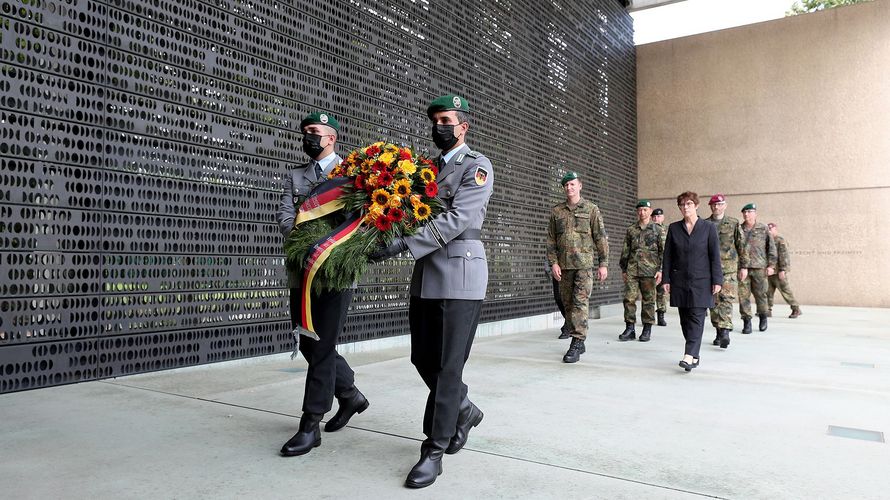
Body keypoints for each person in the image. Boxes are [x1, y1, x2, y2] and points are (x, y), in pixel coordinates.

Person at [370, 94, 493, 489]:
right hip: (427, 275)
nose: (439, 126)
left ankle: (434, 450)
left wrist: (404, 244)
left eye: (446, 120)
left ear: (463, 127)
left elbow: (459, 218)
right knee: (422, 358)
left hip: (459, 276)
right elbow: (407, 211)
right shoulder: (425, 170)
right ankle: (463, 407)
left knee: (446, 367)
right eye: (435, 120)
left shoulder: (477, 166)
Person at [276, 112, 369, 457]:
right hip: (302, 268)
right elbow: (286, 217)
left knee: (323, 344)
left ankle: (310, 424)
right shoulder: (295, 176)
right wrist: (306, 241)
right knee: (308, 342)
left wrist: (328, 248)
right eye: (306, 132)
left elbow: (358, 223)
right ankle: (349, 395)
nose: (308, 136)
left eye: (315, 132)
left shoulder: (353, 175)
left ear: (331, 138)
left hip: (336, 273)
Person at [547, 171, 609, 363]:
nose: (569, 188)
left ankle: (576, 341)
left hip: (584, 266)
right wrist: (554, 263)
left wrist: (603, 264)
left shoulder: (591, 209)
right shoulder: (557, 211)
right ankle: (579, 339)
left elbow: (600, 237)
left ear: (580, 186)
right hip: (564, 267)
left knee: (580, 304)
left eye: (573, 184)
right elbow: (551, 240)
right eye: (566, 185)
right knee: (567, 304)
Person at [661, 191, 723, 372]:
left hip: (702, 281)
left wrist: (717, 279)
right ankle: (694, 355)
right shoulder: (674, 228)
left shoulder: (708, 228)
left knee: (696, 317)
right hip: (679, 280)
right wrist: (666, 278)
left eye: (688, 204)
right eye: (682, 205)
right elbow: (668, 257)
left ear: (696, 205)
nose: (685, 207)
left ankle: (688, 355)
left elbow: (714, 256)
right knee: (685, 319)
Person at [705, 194, 749, 348]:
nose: (716, 207)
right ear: (710, 206)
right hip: (709, 270)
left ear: (725, 205)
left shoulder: (733, 223)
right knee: (713, 301)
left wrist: (744, 266)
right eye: (714, 205)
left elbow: (741, 246)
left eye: (719, 204)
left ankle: (725, 332)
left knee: (727, 299)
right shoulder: (704, 224)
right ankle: (718, 329)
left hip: (728, 269)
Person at [618, 200, 664, 342]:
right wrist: (624, 269)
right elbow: (626, 250)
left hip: (650, 271)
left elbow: (664, 252)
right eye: (640, 210)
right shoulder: (631, 229)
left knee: (648, 300)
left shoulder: (658, 230)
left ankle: (647, 328)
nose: (642, 212)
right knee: (629, 299)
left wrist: (661, 270)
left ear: (650, 211)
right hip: (632, 269)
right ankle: (630, 328)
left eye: (645, 210)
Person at [738, 203, 777, 333]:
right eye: (744, 212)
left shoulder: (763, 228)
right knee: (743, 296)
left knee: (761, 295)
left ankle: (763, 317)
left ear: (755, 213)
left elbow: (771, 247)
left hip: (760, 267)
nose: (746, 214)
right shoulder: (739, 229)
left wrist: (771, 265)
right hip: (743, 268)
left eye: (749, 212)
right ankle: (746, 321)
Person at [767, 222, 802, 318]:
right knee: (767, 292)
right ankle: (767, 310)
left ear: (775, 229)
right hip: (769, 271)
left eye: (771, 229)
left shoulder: (780, 240)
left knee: (785, 291)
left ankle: (796, 308)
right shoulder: (767, 241)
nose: (769, 231)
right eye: (768, 229)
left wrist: (783, 270)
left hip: (778, 271)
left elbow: (784, 256)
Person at [651, 208, 669, 326]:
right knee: (650, 292)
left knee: (662, 292)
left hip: (664, 264)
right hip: (651, 265)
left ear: (663, 217)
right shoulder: (650, 229)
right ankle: (649, 316)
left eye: (659, 216)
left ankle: (661, 315)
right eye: (655, 217)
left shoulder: (668, 230)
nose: (656, 218)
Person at [549, 263, 571, 339]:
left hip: (572, 268)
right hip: (558, 267)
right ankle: (571, 323)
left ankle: (568, 326)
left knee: (571, 299)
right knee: (558, 297)